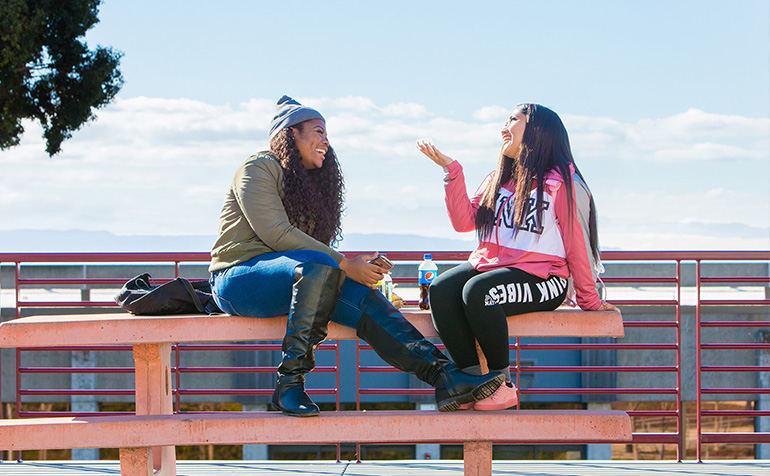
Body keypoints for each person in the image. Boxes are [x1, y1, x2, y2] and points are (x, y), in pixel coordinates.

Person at [209, 95, 504, 417]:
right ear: (292, 133)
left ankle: (444, 376)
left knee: (361, 297)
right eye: (318, 131)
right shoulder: (259, 167)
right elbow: (276, 232)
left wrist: (354, 270)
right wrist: (346, 264)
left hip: (300, 280)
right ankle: (289, 384)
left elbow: (313, 260)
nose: (326, 141)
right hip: (238, 281)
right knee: (325, 267)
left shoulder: (306, 184)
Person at [417, 103, 620, 411]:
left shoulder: (562, 182)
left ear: (537, 130)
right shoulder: (498, 179)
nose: (503, 127)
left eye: (513, 119)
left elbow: (577, 243)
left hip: (545, 278)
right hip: (492, 267)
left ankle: (501, 385)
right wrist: (452, 172)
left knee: (479, 292)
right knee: (441, 290)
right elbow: (463, 222)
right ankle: (472, 384)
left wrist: (589, 298)